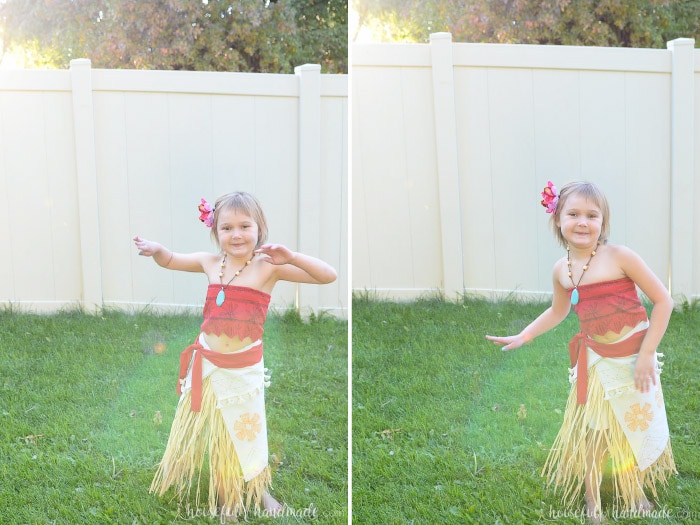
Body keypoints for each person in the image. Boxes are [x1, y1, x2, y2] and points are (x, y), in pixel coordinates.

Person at [133, 191, 337, 521]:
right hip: (209, 364)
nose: (236, 234)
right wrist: (157, 250)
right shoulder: (210, 262)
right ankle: (231, 495)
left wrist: (291, 256)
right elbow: (171, 259)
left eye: (245, 226)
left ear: (260, 229)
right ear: (216, 231)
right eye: (227, 228)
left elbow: (327, 275)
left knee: (247, 432)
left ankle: (257, 491)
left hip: (242, 369)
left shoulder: (268, 268)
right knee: (222, 435)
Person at [486, 181, 676, 523]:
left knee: (636, 426)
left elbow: (664, 301)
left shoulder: (620, 257)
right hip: (598, 362)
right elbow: (558, 311)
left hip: (635, 359)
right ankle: (592, 502)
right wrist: (525, 335)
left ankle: (634, 491)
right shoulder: (563, 270)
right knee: (595, 432)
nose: (583, 222)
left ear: (603, 222)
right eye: (573, 214)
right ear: (558, 219)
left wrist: (648, 354)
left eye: (592, 215)